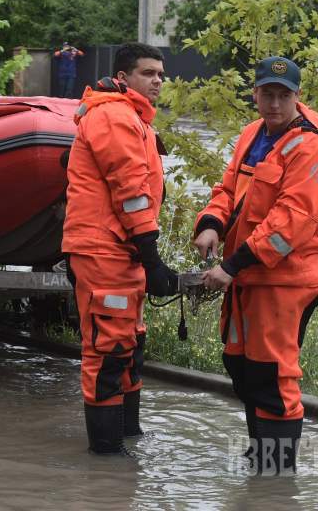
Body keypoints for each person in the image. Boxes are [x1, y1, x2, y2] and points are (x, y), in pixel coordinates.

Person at [193, 56, 318, 475]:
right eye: (268, 94)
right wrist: (210, 224)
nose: (275, 103)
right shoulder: (253, 133)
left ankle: (276, 480)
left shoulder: (311, 144)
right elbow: (228, 189)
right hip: (247, 276)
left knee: (272, 377)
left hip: (283, 281)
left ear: (298, 97)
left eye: (283, 95)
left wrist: (232, 266)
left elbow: (291, 221)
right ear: (255, 95)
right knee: (242, 367)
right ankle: (260, 465)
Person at [62, 42, 178, 454]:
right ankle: (108, 457)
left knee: (129, 344)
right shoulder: (114, 116)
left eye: (161, 75)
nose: (158, 81)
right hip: (104, 250)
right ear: (124, 77)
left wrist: (146, 255)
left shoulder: (132, 118)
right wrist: (152, 255)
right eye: (149, 74)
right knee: (109, 350)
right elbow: (130, 192)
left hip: (121, 249)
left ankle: (129, 439)